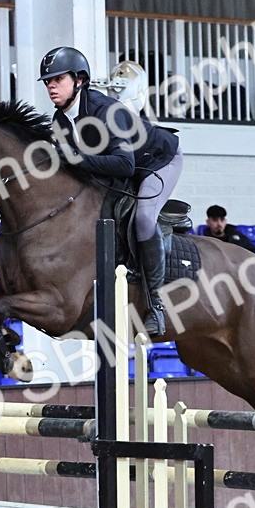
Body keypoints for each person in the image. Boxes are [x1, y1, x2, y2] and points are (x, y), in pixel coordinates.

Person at [40, 46, 183, 336]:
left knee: (143, 217)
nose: (51, 86)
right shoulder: (59, 121)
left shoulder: (106, 111)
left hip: (157, 161)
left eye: (58, 79)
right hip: (121, 169)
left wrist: (75, 159)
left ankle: (156, 305)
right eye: (47, 82)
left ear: (79, 80)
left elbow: (124, 164)